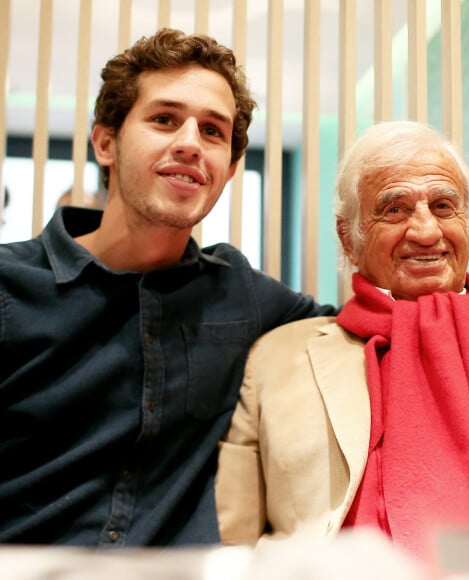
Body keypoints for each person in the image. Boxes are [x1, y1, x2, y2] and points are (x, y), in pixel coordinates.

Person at [0, 28, 335, 547]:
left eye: (212, 132)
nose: (188, 144)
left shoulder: (242, 296)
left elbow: (367, 329)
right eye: (163, 120)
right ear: (105, 142)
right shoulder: (10, 287)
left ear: (227, 170)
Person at [215, 120, 469, 562]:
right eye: (394, 209)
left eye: (445, 206)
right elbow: (230, 541)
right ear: (349, 238)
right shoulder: (277, 360)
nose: (426, 232)